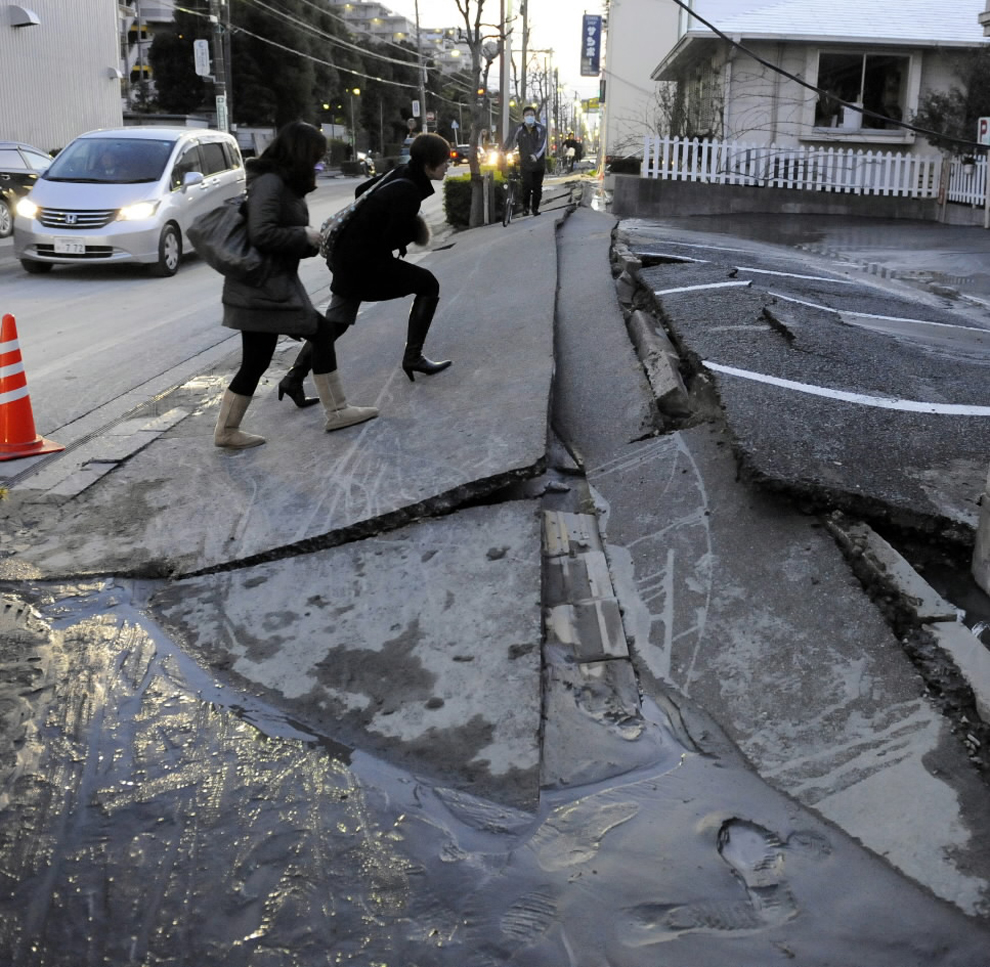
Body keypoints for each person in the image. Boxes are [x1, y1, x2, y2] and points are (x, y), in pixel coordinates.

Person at [215, 120, 377, 448]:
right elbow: (261, 234)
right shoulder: (270, 183)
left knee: (257, 360)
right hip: (264, 289)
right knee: (321, 331)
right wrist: (303, 235)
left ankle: (226, 431)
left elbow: (275, 235)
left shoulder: (278, 182)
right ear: (300, 152)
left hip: (265, 286)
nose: (317, 162)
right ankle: (337, 410)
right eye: (316, 156)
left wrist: (309, 242)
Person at [276, 131, 452, 406]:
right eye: (443, 161)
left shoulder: (401, 173)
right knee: (428, 284)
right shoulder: (408, 190)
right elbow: (389, 237)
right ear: (429, 164)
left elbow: (362, 193)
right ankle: (413, 357)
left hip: (350, 257)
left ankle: (293, 379)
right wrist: (404, 233)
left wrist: (381, 224)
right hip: (363, 263)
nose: (447, 166)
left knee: (336, 323)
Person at [507, 105, 547, 216]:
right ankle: (525, 208)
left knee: (537, 187)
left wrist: (535, 155)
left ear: (535, 116)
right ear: (523, 117)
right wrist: (502, 151)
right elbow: (510, 141)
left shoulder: (541, 129)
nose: (529, 117)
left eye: (531, 115)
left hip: (538, 164)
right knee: (527, 186)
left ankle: (535, 208)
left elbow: (542, 144)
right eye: (527, 115)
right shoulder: (518, 129)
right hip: (525, 163)